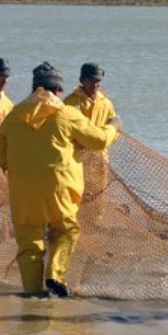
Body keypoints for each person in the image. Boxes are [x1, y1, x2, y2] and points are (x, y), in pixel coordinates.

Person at [0, 62, 121, 297]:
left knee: (30, 246)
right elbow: (99, 141)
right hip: (59, 190)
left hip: (23, 192)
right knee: (66, 231)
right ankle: (55, 274)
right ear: (58, 90)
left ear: (35, 88)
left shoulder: (13, 116)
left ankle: (33, 294)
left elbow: (0, 156)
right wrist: (114, 127)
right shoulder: (67, 114)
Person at [63, 62, 117, 227]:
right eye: (92, 80)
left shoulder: (106, 103)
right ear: (82, 80)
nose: (96, 84)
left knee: (97, 198)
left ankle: (94, 228)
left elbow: (114, 129)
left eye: (99, 81)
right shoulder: (71, 102)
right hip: (77, 159)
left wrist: (104, 140)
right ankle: (77, 228)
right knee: (76, 196)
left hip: (100, 159)